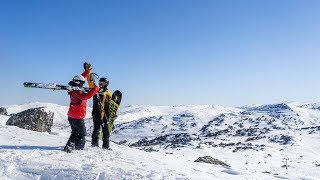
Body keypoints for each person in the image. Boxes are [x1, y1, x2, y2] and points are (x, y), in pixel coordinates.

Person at [63, 63, 99, 153]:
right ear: (79, 83)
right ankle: (79, 149)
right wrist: (96, 89)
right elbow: (86, 97)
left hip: (72, 116)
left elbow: (79, 78)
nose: (83, 85)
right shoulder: (77, 92)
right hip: (77, 117)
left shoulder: (73, 89)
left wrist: (86, 72)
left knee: (75, 133)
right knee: (82, 134)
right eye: (82, 84)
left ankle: (69, 148)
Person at [91, 77, 113, 149]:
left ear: (106, 84)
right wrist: (88, 72)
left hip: (105, 114)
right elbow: (90, 82)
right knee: (96, 129)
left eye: (102, 82)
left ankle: (106, 147)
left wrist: (112, 113)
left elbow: (111, 105)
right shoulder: (95, 90)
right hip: (96, 113)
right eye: (99, 82)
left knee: (106, 131)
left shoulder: (109, 93)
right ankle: (94, 145)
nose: (100, 83)